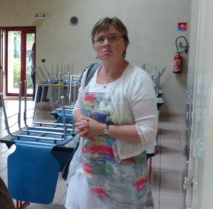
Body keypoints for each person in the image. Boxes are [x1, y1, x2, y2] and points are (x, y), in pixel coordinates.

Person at [65, 17, 158, 209]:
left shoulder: (138, 79)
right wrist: (81, 121)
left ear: (125, 43)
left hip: (122, 176)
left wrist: (102, 129)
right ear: (95, 47)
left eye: (113, 37)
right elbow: (76, 108)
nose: (106, 43)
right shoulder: (90, 74)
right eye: (100, 39)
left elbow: (147, 131)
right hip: (87, 169)